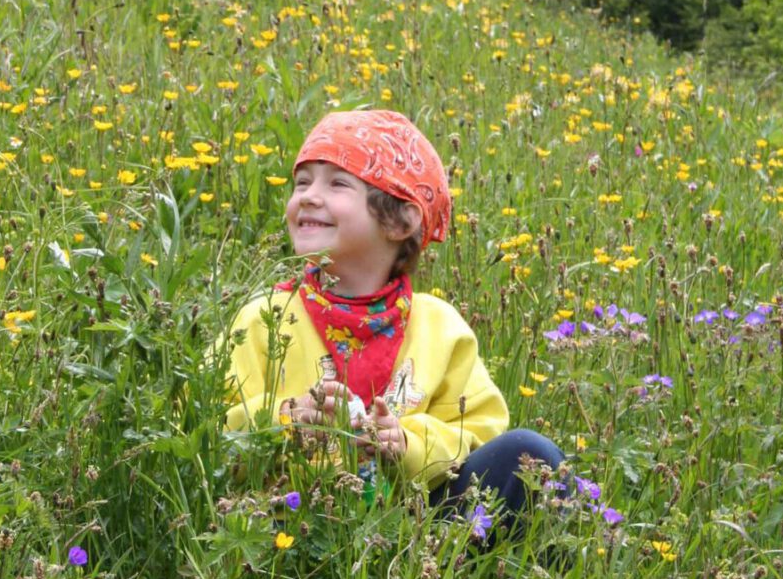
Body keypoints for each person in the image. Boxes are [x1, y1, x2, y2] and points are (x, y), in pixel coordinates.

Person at [223, 110, 563, 532]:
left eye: (337, 183)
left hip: (417, 529)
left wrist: (407, 443)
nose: (308, 196)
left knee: (530, 454)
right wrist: (285, 418)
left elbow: (479, 431)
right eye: (303, 181)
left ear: (400, 221)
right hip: (291, 526)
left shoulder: (440, 327)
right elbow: (208, 425)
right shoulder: (263, 319)